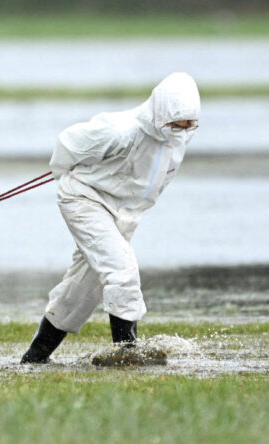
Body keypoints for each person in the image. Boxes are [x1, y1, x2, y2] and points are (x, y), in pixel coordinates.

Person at [20, 72, 200, 364]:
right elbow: (67, 145)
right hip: (84, 200)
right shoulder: (121, 130)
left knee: (83, 288)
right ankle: (128, 355)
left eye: (188, 125)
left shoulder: (176, 140)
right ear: (161, 112)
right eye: (175, 124)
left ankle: (35, 357)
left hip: (122, 213)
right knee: (122, 270)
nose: (181, 130)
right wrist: (64, 173)